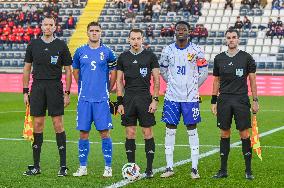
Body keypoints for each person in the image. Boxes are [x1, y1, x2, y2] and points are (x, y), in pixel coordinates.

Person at [22, 15, 72, 176]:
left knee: (58, 124)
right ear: (41, 26)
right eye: (45, 24)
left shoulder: (61, 45)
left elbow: (68, 70)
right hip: (37, 87)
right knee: (37, 124)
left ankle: (63, 166)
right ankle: (36, 166)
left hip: (55, 87)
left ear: (55, 26)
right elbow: (27, 69)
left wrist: (67, 93)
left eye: (51, 24)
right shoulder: (33, 44)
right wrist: (25, 91)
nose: (48, 27)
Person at [159, 21, 208, 179]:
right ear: (175, 31)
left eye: (184, 29)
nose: (181, 31)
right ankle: (169, 167)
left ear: (189, 32)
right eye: (178, 29)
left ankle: (194, 169)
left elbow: (204, 72)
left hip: (190, 98)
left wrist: (193, 87)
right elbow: (163, 70)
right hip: (172, 97)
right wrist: (173, 84)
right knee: (170, 130)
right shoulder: (167, 50)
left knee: (192, 129)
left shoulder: (197, 50)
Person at [211, 28, 259, 180]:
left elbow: (252, 80)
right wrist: (214, 101)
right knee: (224, 133)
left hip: (241, 100)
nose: (231, 40)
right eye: (229, 37)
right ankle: (223, 170)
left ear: (238, 39)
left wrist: (255, 100)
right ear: (226, 40)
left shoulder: (247, 58)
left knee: (244, 134)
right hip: (224, 100)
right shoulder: (219, 58)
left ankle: (248, 170)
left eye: (234, 37)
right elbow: (216, 81)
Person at [72, 22, 117, 177]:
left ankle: (108, 167)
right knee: (83, 133)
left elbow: (114, 72)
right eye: (91, 30)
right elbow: (75, 71)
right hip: (84, 99)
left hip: (101, 99)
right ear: (87, 33)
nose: (94, 33)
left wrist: (109, 89)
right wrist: (83, 86)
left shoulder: (108, 52)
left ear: (101, 32)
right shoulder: (79, 52)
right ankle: (83, 167)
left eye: (97, 30)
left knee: (105, 133)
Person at [116, 28, 160, 178]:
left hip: (145, 98)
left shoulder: (150, 56)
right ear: (128, 40)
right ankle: (132, 168)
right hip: (128, 99)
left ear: (142, 39)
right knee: (130, 133)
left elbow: (156, 80)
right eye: (133, 39)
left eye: (138, 38)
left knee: (147, 132)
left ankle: (149, 169)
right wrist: (119, 102)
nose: (135, 41)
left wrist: (155, 100)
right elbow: (119, 81)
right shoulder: (122, 57)